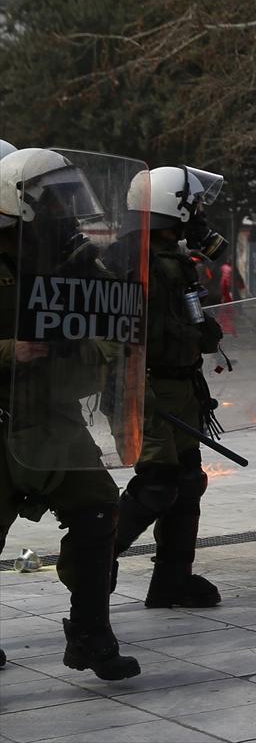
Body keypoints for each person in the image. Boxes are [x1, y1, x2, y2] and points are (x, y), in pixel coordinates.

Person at [0, 148, 140, 679]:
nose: (67, 211)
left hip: (55, 415)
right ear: (19, 203)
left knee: (98, 510)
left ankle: (90, 635)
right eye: (55, 200)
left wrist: (101, 338)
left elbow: (110, 329)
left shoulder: (75, 263)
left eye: (69, 197)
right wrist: (11, 351)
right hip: (0, 414)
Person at [106, 165, 227, 609]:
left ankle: (172, 582)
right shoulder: (128, 261)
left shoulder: (172, 261)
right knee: (157, 484)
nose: (200, 218)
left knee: (188, 481)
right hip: (144, 386)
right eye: (195, 208)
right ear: (173, 209)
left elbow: (188, 323)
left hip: (181, 385)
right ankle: (93, 563)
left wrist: (203, 331)